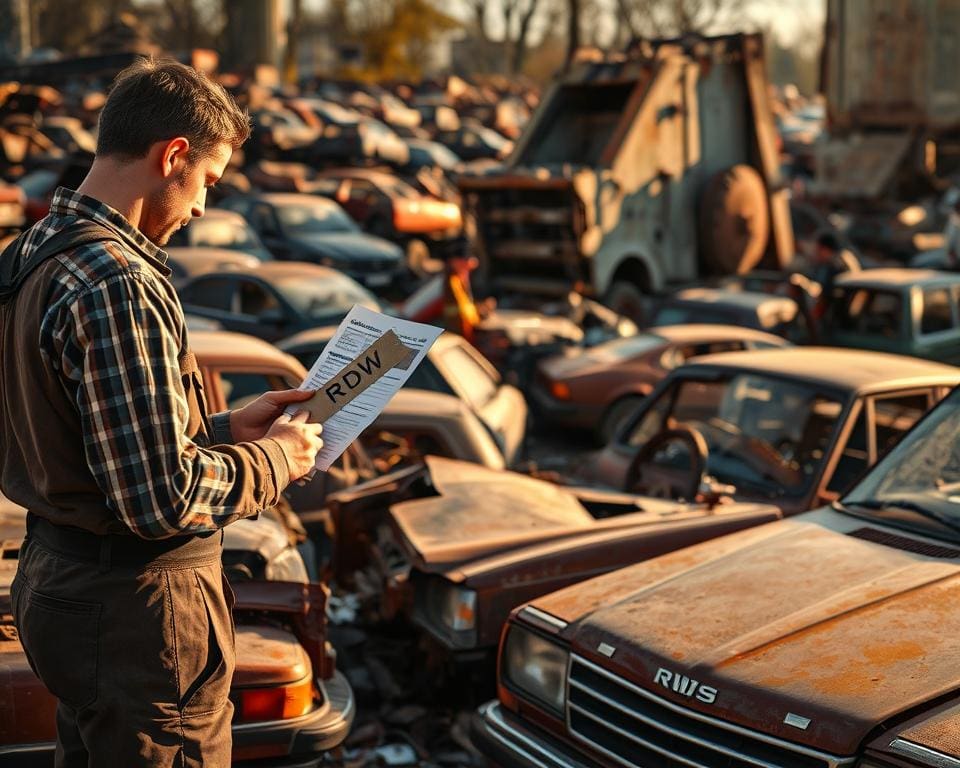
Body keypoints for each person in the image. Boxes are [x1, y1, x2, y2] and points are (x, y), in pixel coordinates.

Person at [0, 59, 324, 767]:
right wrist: (276, 461)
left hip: (61, 584)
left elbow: (74, 436)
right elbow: (159, 498)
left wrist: (221, 431)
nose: (205, 206)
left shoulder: (31, 253)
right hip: (136, 617)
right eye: (208, 180)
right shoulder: (119, 281)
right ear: (173, 155)